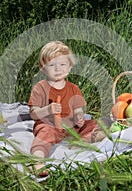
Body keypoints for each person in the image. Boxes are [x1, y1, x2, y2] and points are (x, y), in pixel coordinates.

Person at [28, 41, 105, 176]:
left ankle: (82, 141)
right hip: (50, 126)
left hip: (70, 127)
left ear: (70, 67)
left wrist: (79, 117)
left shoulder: (73, 88)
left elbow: (78, 110)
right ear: (43, 68)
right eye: (52, 65)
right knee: (45, 133)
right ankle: (37, 160)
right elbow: (33, 114)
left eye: (62, 64)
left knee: (94, 124)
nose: (58, 68)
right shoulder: (40, 88)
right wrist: (47, 110)